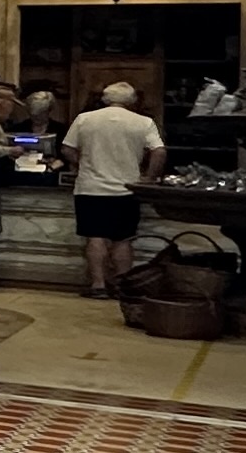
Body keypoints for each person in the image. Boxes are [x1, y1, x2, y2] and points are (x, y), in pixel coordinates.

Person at [64, 81, 169, 299]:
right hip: (127, 189)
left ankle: (98, 285)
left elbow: (67, 149)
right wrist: (149, 177)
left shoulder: (85, 119)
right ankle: (123, 286)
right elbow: (159, 151)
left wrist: (82, 163)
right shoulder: (143, 122)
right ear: (132, 100)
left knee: (95, 237)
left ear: (105, 98)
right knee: (123, 239)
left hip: (90, 187)